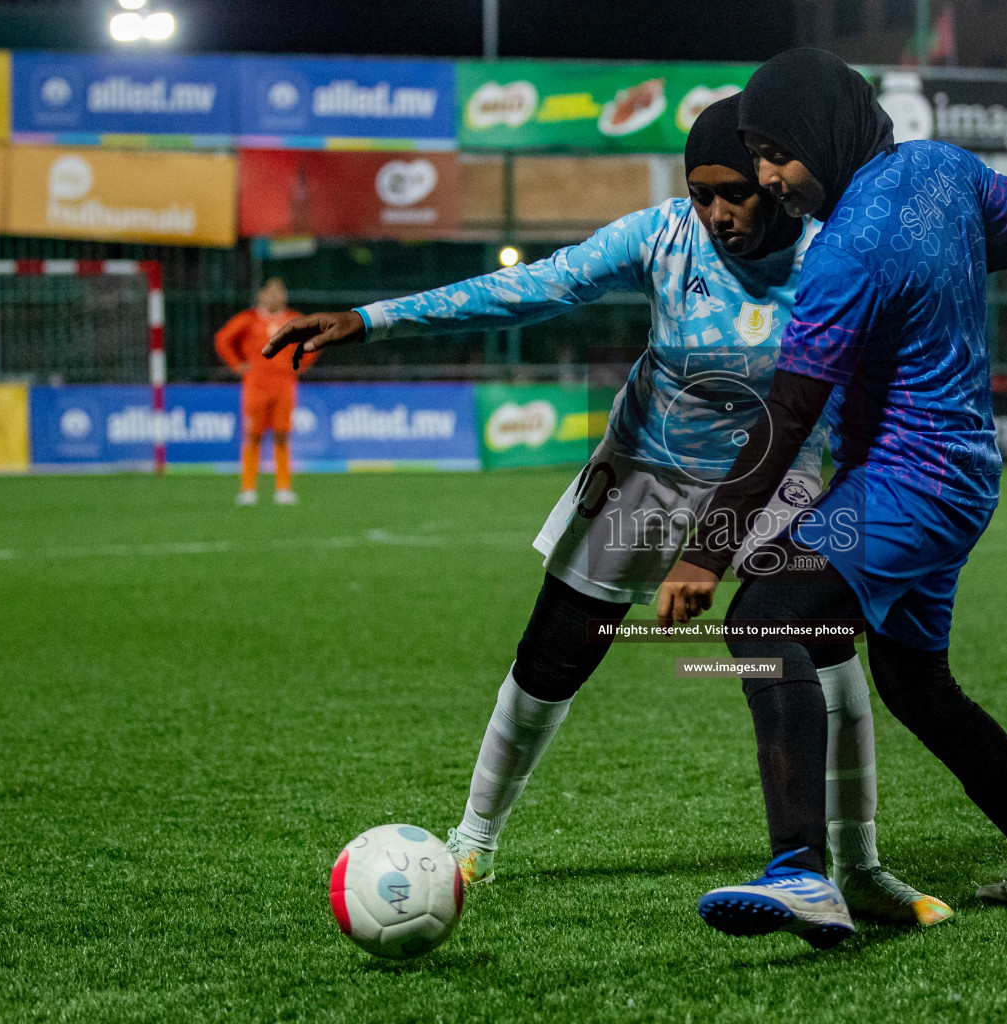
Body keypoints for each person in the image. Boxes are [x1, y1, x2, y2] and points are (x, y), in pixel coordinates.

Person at [263, 96, 952, 929]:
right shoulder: (663, 236)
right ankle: (474, 841)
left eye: (735, 192)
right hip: (645, 479)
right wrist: (372, 320)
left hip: (778, 482)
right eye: (701, 194)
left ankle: (859, 869)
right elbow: (532, 287)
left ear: (776, 182)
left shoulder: (832, 253)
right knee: (552, 659)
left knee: (826, 666)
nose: (717, 213)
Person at [656, 49, 1007, 950]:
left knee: (763, 621)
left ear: (826, 133)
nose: (767, 176)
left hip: (909, 479)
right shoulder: (945, 171)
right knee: (918, 685)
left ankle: (799, 873)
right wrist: (946, 261)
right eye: (757, 154)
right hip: (965, 473)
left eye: (778, 151)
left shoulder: (847, 253)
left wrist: (705, 552)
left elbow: (787, 418)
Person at [214, 277, 313, 505]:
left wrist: (301, 364)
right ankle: (248, 489)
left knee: (282, 436)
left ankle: (283, 489)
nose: (276, 296)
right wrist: (237, 365)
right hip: (256, 386)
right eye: (271, 291)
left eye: (281, 292)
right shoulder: (249, 319)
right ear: (261, 295)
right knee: (253, 436)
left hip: (284, 386)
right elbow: (223, 339)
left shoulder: (293, 320)